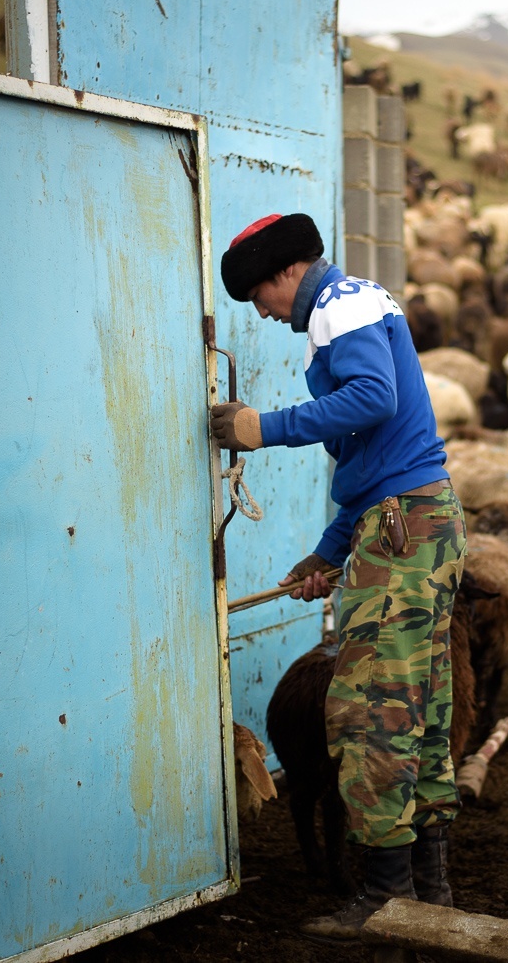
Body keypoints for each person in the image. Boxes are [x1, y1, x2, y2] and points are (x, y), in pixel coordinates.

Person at [209, 213, 468, 940]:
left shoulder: (336, 305)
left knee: (371, 710)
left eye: (258, 294)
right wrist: (329, 551)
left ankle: (385, 895)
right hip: (416, 519)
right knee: (421, 708)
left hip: (402, 527)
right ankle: (430, 887)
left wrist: (264, 427)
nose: (261, 311)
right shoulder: (362, 300)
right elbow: (372, 452)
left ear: (286, 272)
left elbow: (372, 401)